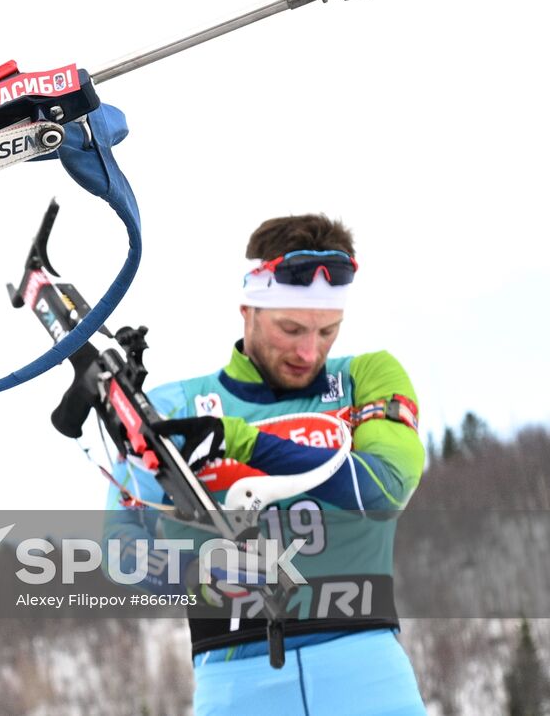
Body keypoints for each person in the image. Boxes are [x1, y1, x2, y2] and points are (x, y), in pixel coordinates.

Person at [104, 214, 427, 715]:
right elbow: (120, 547)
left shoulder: (368, 376)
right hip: (235, 680)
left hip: (366, 670)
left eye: (328, 331)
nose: (309, 351)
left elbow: (383, 492)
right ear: (248, 309)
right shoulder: (178, 406)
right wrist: (198, 573)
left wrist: (244, 442)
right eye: (291, 328)